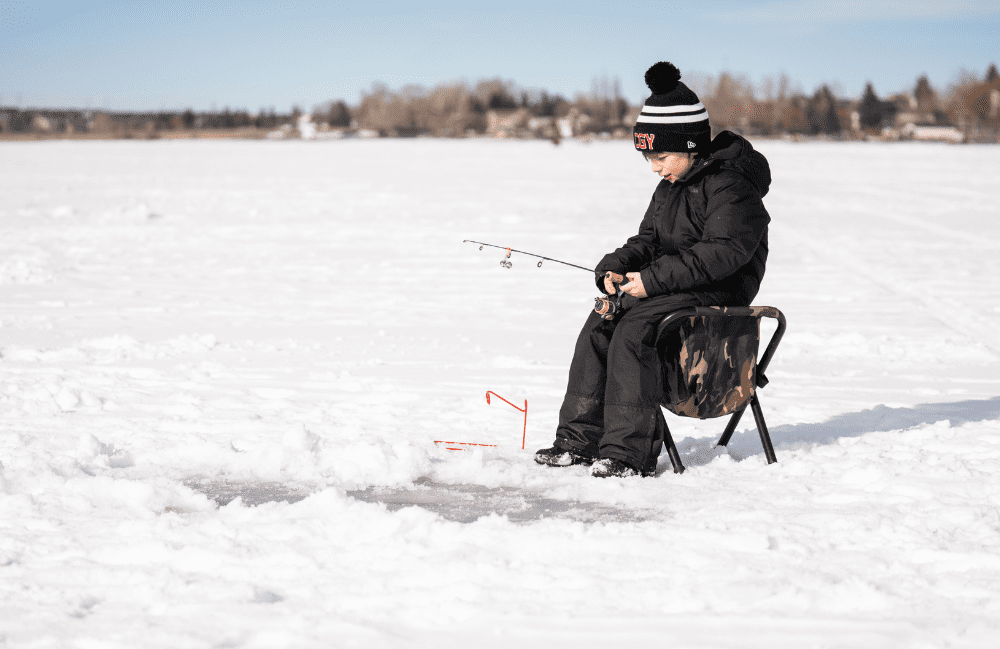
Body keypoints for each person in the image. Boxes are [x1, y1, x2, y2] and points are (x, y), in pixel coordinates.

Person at [535, 61, 772, 478]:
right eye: (648, 157)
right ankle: (579, 441)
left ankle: (629, 454)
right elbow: (649, 241)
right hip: (679, 285)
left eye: (660, 156)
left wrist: (651, 281)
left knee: (634, 328)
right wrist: (616, 267)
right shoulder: (671, 187)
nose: (654, 168)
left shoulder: (732, 186)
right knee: (601, 322)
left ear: (691, 146)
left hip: (722, 290)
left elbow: (723, 254)